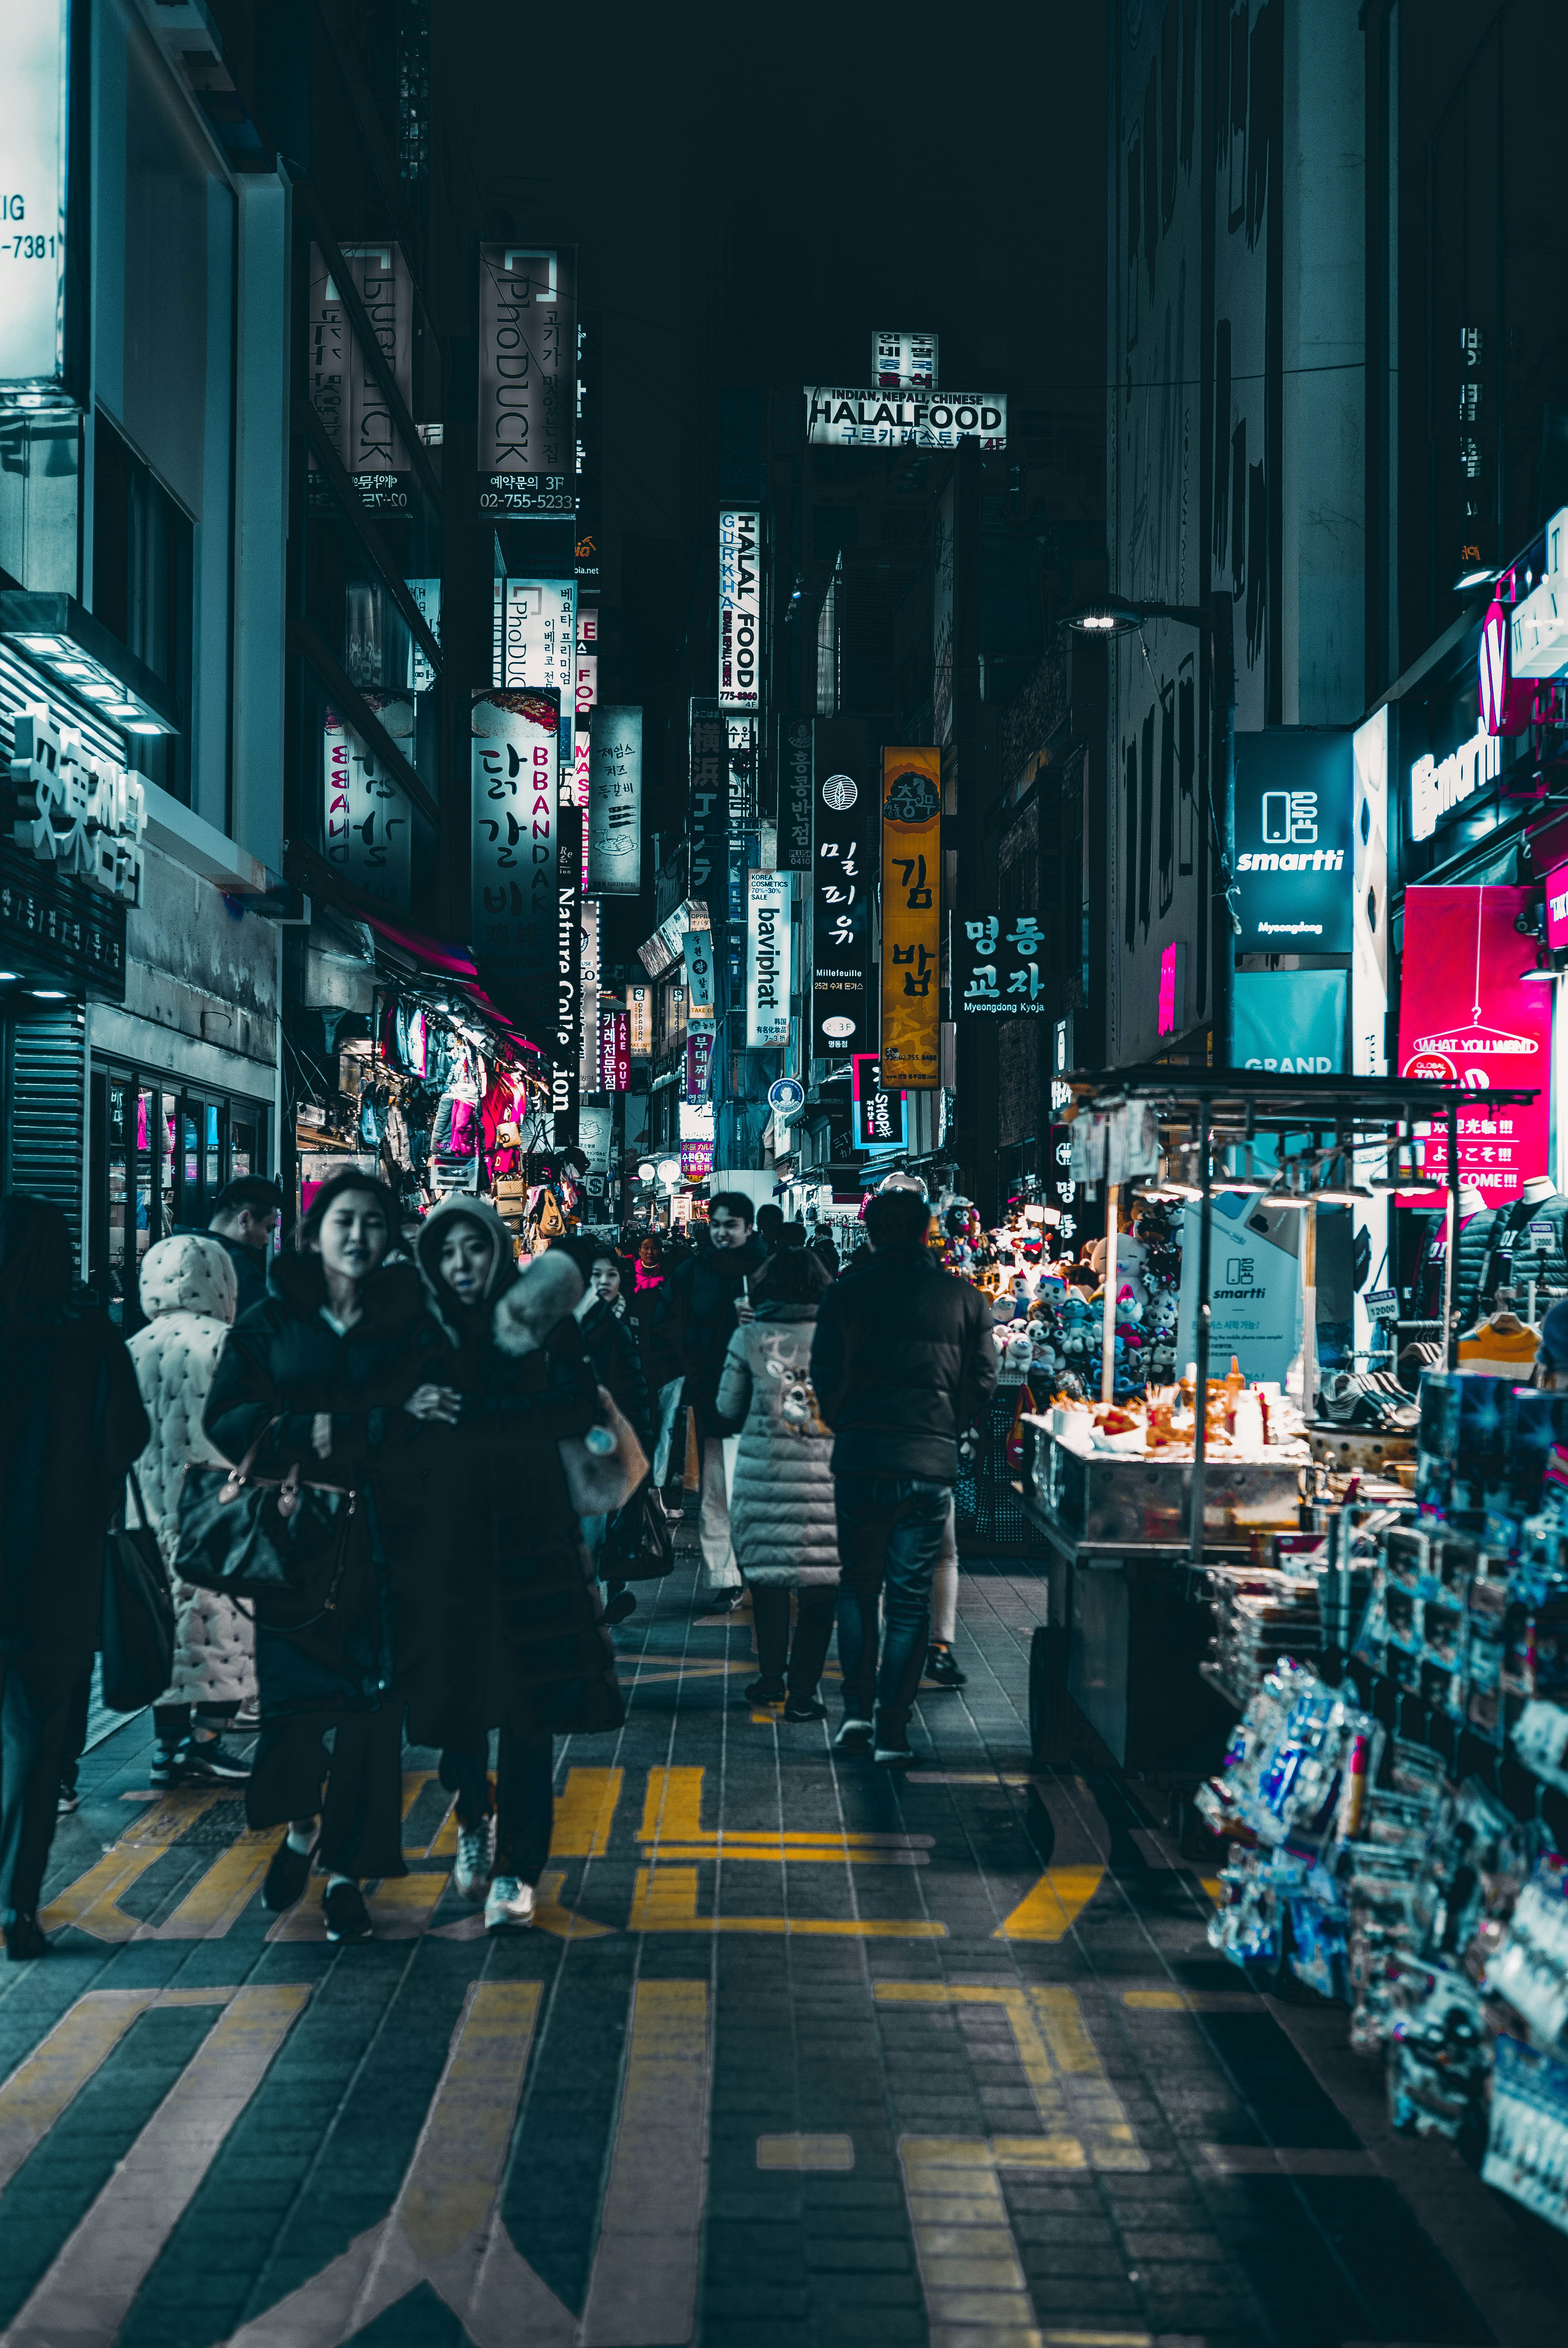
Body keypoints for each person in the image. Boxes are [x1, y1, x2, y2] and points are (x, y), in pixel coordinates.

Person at [204, 1172, 456, 1944]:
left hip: (389, 1548)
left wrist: (333, 1428)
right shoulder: (270, 1321)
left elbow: (441, 1423)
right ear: (313, 1233)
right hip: (297, 1548)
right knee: (294, 1718)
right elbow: (230, 1419)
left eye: (373, 1223)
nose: (357, 1236)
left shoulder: (417, 1326)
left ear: (391, 1238)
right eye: (343, 1221)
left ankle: (348, 1876)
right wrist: (351, 1427)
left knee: (373, 1722)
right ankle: (302, 1831)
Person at [417, 1200, 624, 1930]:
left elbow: (579, 1403)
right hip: (444, 1542)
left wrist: (481, 1423)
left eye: (476, 1248)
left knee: (530, 1708)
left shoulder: (540, 1322)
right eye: (448, 1252)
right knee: (457, 1704)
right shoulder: (418, 1328)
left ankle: (519, 1870)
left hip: (534, 1539)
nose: (463, 1264)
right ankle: (474, 1811)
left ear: (500, 1252)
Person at [0, 1196, 150, 1958]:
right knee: (38, 1738)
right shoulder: (89, 1336)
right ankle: (16, 1906)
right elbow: (130, 1434)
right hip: (61, 1571)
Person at [810, 1185, 997, 1767]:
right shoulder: (965, 1299)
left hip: (861, 1459)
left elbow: (823, 1374)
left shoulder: (844, 1295)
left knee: (857, 1589)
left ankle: (857, 1715)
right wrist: (947, 1422)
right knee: (911, 1599)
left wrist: (849, 1421)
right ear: (926, 1234)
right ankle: (893, 1729)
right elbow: (984, 1380)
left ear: (869, 1234)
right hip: (927, 1464)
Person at [127, 1234, 256, 1787]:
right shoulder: (230, 1343)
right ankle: (206, 1742)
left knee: (164, 1635)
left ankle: (168, 1746)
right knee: (223, 1632)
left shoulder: (131, 1347)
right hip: (218, 1515)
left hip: (147, 1515)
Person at [716, 1246, 840, 1718]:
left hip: (762, 1475)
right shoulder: (839, 1337)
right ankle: (804, 1695)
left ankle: (770, 1681)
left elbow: (727, 1409)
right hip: (826, 1476)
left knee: (767, 1585)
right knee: (819, 1590)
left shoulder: (747, 1337)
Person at [655, 1191, 768, 1608]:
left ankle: (759, 1570)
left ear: (748, 1227)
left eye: (731, 1225)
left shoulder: (768, 1273)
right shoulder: (691, 1273)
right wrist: (685, 1372)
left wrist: (765, 1319)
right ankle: (727, 1575)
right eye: (716, 1225)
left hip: (763, 1402)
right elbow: (666, 1328)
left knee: (758, 1492)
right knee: (716, 1493)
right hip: (710, 1399)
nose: (722, 1233)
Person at [575, 1244, 654, 1623]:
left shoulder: (622, 1322)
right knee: (591, 1524)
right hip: (580, 1438)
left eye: (611, 1274)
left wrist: (644, 1444)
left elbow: (637, 1387)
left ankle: (607, 1594)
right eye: (596, 1274)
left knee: (607, 1522)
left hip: (614, 1438)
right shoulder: (569, 1320)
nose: (604, 1282)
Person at [207, 1176, 285, 1319]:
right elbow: (263, 1328)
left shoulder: (173, 1249)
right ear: (245, 1220)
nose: (268, 1241)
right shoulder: (239, 1266)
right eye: (268, 1229)